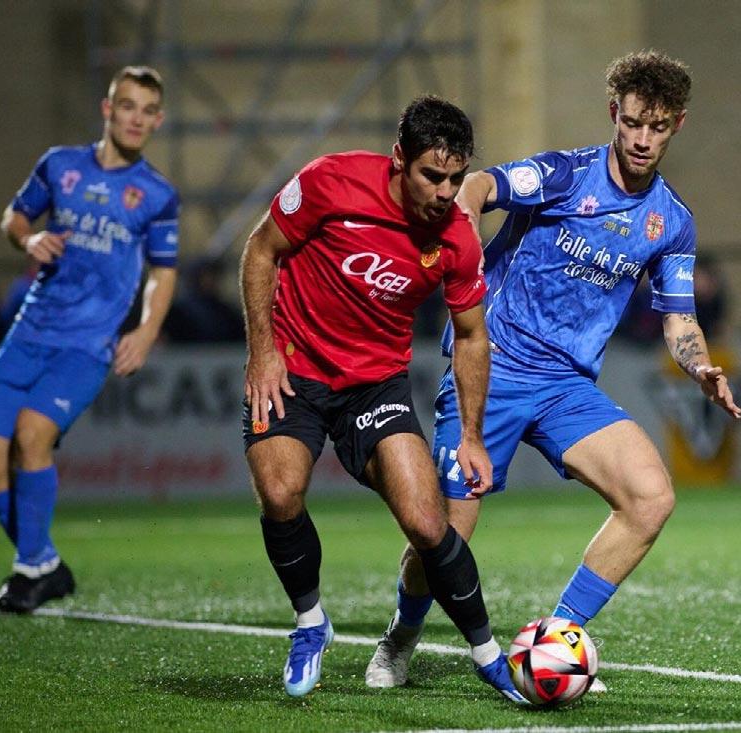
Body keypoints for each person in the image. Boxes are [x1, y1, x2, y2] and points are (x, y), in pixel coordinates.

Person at [366, 51, 741, 691]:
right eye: (632, 123)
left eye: (656, 127)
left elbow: (679, 318)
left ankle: (558, 640)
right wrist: (463, 221)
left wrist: (699, 362)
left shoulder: (672, 222)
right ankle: (400, 638)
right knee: (444, 535)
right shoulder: (566, 175)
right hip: (493, 368)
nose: (642, 139)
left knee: (651, 497)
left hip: (567, 387)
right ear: (613, 114)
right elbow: (481, 185)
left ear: (676, 125)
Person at [239, 95, 526, 703]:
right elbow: (261, 251)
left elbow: (472, 337)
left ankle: (488, 656)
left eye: (456, 178)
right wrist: (262, 352)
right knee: (281, 492)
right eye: (432, 175)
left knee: (427, 521)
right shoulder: (331, 181)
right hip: (294, 367)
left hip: (375, 384)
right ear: (399, 158)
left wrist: (472, 436)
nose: (446, 193)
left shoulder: (456, 238)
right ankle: (310, 623)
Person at [0, 65, 179, 613]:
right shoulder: (59, 165)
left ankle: (29, 571)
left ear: (157, 121)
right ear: (107, 109)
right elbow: (14, 217)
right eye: (127, 106)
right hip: (28, 332)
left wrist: (146, 330)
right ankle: (43, 562)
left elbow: (164, 271)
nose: (136, 118)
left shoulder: (158, 194)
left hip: (87, 345)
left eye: (147, 111)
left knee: (31, 436)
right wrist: (29, 238)